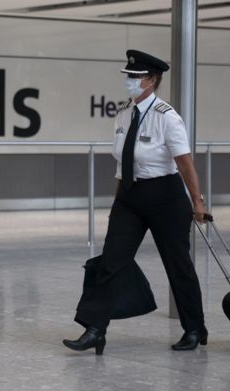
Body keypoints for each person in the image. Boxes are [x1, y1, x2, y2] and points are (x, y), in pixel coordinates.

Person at [63, 49, 209, 355]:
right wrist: (119, 202)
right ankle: (95, 329)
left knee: (178, 265)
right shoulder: (123, 113)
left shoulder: (168, 117)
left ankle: (194, 329)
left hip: (166, 197)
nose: (130, 81)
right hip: (129, 197)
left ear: (153, 80)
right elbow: (123, 162)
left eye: (136, 77)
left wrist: (197, 201)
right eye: (128, 76)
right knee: (111, 262)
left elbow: (184, 162)